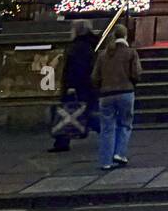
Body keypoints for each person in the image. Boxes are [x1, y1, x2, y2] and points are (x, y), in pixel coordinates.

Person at [91, 24, 142, 171]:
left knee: (107, 128)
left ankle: (105, 162)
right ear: (126, 36)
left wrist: (101, 87)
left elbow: (95, 77)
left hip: (106, 95)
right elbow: (136, 73)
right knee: (125, 124)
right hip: (126, 92)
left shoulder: (103, 54)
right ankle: (119, 153)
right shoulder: (131, 53)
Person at [50, 20, 98, 153]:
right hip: (86, 86)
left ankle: (62, 141)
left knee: (73, 112)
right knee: (84, 112)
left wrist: (71, 85)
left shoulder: (79, 46)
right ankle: (61, 141)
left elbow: (76, 68)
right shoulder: (89, 44)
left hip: (78, 86)